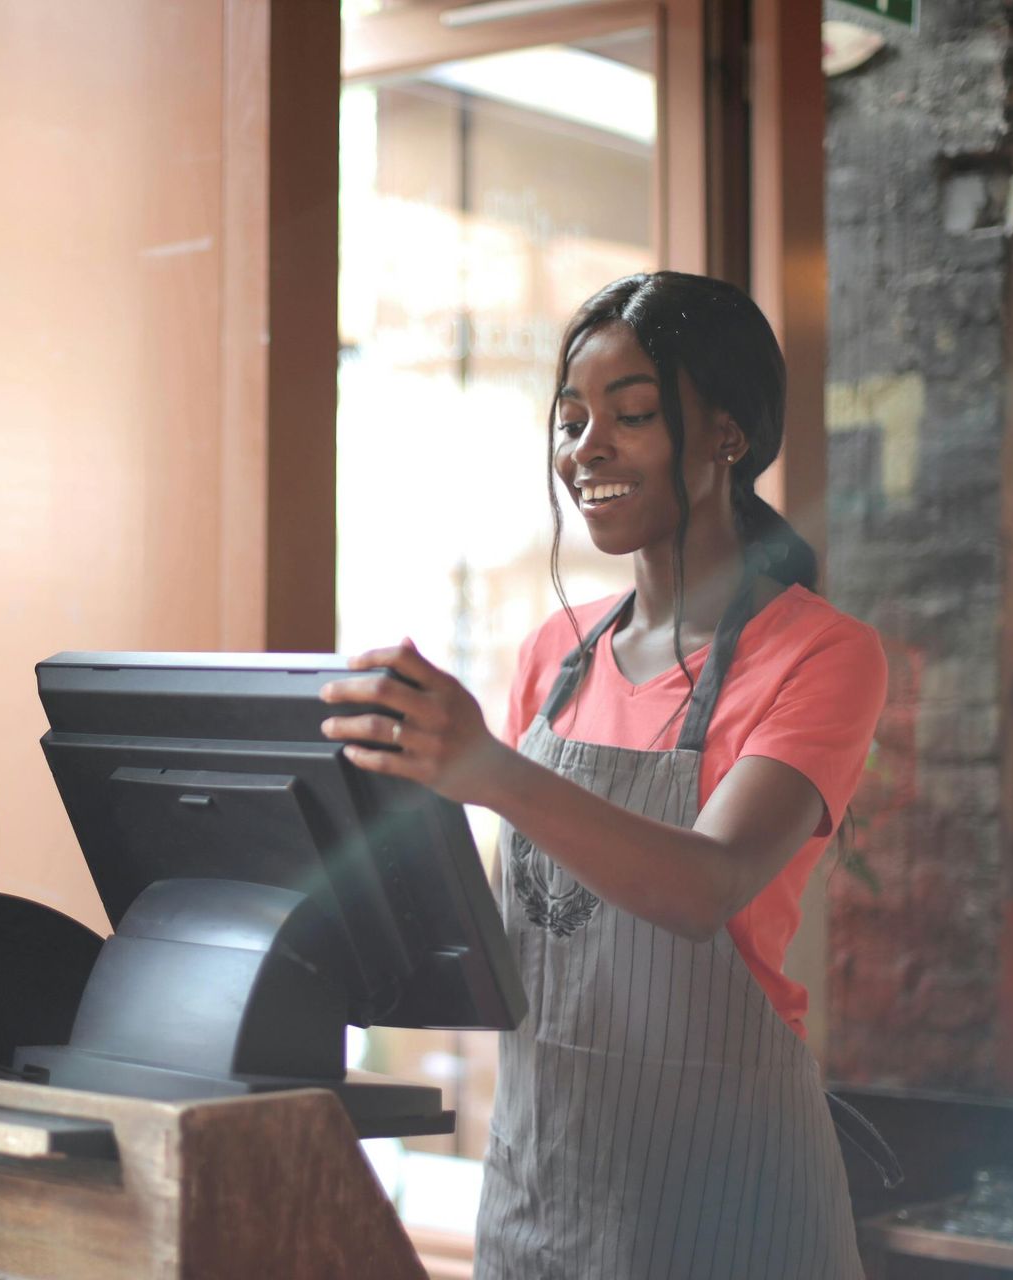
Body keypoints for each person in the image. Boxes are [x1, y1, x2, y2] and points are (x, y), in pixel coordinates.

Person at [320, 272, 892, 1278]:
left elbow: (703, 883)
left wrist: (486, 766)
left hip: (731, 1200)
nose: (586, 449)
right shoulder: (554, 653)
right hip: (547, 1182)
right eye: (573, 419)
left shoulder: (821, 655)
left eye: (629, 415)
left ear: (727, 435)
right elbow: (528, 925)